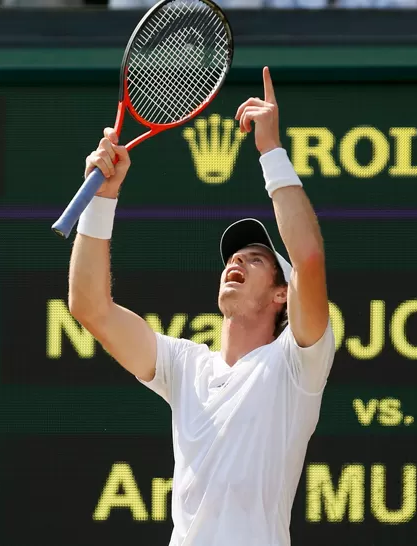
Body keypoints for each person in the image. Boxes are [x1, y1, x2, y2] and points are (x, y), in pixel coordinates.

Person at [67, 66, 334, 546]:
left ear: (282, 295)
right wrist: (102, 199)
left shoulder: (296, 365)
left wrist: (271, 152)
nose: (236, 260)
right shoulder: (185, 366)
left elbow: (309, 258)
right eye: (234, 256)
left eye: (256, 259)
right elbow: (90, 308)